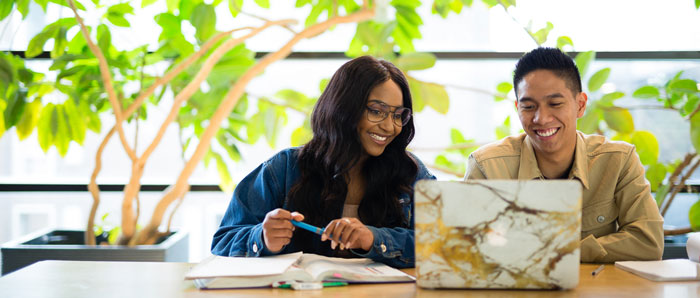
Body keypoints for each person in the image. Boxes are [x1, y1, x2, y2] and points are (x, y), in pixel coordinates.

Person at [211, 56, 435, 268]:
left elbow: (445, 244)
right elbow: (222, 241)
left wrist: (373, 238)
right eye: (377, 111)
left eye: (398, 115)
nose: (389, 126)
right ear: (344, 108)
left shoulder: (411, 172)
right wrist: (261, 237)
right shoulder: (284, 168)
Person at [463, 47, 664, 263]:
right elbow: (463, 249)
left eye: (555, 104)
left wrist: (561, 253)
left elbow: (648, 242)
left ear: (580, 105)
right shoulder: (487, 166)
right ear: (517, 108)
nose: (541, 118)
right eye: (529, 106)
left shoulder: (618, 160)